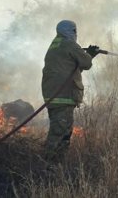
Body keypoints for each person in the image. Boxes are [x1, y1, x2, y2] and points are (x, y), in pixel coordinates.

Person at [41, 20, 99, 164]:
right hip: (63, 96)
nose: (75, 34)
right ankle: (48, 167)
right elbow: (86, 63)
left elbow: (69, 66)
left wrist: (85, 54)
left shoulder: (55, 45)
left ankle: (57, 164)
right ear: (70, 31)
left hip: (54, 96)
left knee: (63, 132)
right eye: (74, 31)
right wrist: (90, 54)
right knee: (59, 134)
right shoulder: (69, 44)